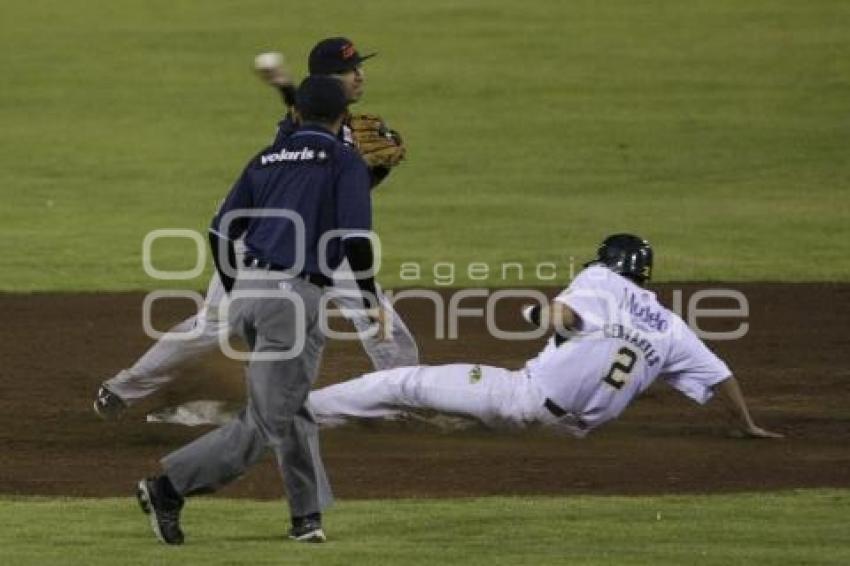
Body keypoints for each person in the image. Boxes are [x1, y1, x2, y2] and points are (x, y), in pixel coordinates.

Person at [93, 37, 417, 420]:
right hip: (264, 246)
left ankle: (408, 400)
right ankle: (123, 389)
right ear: (327, 82)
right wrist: (283, 85)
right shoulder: (301, 124)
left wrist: (376, 170)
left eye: (360, 66)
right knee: (213, 323)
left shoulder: (354, 130)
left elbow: (349, 195)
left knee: (380, 320)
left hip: (327, 245)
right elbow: (302, 120)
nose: (360, 75)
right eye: (350, 70)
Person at [137, 76, 383, 545]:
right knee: (268, 420)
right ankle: (168, 487)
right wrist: (370, 300)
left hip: (251, 289)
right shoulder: (344, 159)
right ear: (341, 118)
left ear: (299, 115)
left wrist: (239, 289)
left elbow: (220, 231)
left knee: (291, 404)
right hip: (293, 299)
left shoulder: (266, 158)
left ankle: (306, 517)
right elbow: (354, 241)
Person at [307, 234, 783, 440]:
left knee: (402, 383)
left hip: (521, 400)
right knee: (456, 412)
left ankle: (298, 411)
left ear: (608, 262)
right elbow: (722, 377)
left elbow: (565, 317)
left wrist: (541, 311)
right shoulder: (672, 327)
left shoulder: (601, 280)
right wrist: (745, 424)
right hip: (570, 434)